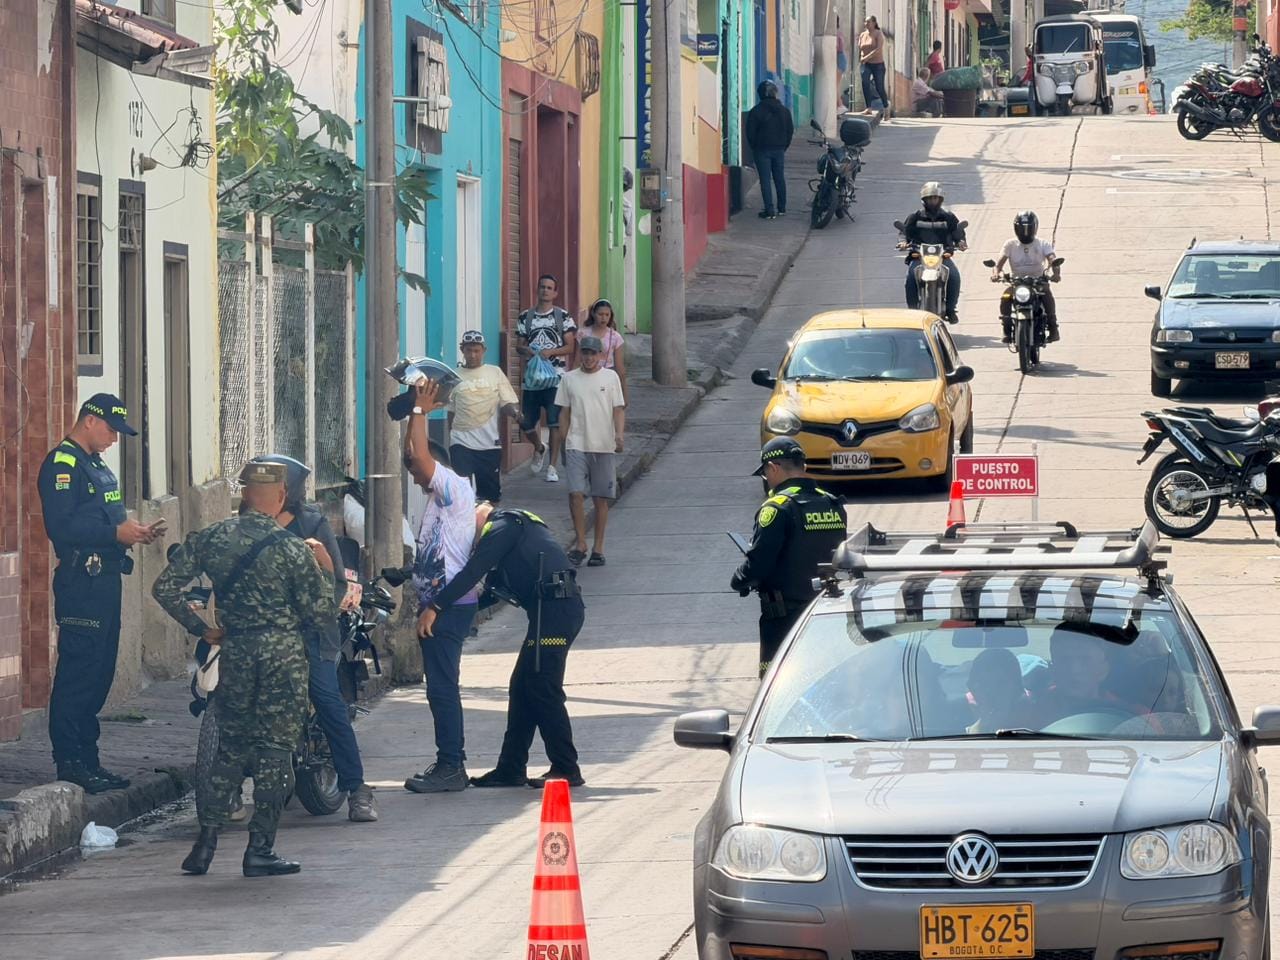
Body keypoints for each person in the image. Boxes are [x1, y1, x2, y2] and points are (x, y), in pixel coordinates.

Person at [153, 460, 337, 878]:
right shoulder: (293, 548)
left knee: (231, 747)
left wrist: (203, 628)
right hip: (282, 659)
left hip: (235, 651)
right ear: (281, 497)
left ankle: (206, 842)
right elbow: (320, 612)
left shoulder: (213, 539)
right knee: (275, 752)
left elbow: (163, 588)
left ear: (243, 495)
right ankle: (260, 849)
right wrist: (326, 570)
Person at [38, 393, 165, 794]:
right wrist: (115, 533)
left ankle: (89, 759)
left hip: (105, 580)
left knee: (99, 673)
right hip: (82, 583)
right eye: (110, 429)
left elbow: (105, 517)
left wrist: (135, 532)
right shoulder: (63, 465)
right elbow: (62, 527)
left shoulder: (94, 465)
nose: (114, 438)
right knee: (79, 671)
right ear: (90, 420)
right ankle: (70, 762)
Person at [420, 503, 586, 789]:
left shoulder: (503, 527)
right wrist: (451, 611)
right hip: (549, 613)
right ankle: (511, 768)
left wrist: (436, 606)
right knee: (522, 686)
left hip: (556, 612)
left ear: (480, 511)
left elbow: (473, 573)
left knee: (542, 686)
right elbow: (487, 595)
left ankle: (566, 767)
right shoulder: (508, 534)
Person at [253, 454, 378, 823]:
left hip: (311, 632)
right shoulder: (246, 525)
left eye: (267, 487)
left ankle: (357, 790)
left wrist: (320, 557)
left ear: (284, 491)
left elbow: (337, 581)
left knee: (326, 700)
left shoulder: (311, 522)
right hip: (261, 630)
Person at [402, 379, 481, 793]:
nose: (413, 475)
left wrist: (420, 411)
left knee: (443, 687)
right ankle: (449, 762)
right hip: (440, 604)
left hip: (448, 606)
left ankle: (452, 765)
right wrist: (406, 412)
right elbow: (411, 454)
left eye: (417, 470)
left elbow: (418, 454)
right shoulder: (438, 499)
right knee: (439, 687)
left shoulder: (451, 485)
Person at [730, 438, 847, 677]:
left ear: (772, 467)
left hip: (783, 619)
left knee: (777, 684)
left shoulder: (777, 508)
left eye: (765, 473)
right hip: (824, 613)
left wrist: (739, 580)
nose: (767, 479)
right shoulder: (832, 504)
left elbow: (759, 563)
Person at [556, 336, 626, 567]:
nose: (588, 358)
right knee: (575, 494)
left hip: (603, 446)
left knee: (600, 499)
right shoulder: (568, 379)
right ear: (580, 355)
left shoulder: (611, 377)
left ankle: (598, 547)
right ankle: (580, 543)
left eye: (593, 354)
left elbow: (618, 410)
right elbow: (564, 413)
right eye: (585, 353)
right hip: (576, 443)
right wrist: (565, 441)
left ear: (600, 355)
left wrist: (618, 435)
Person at [516, 274, 577, 483]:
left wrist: (552, 352)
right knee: (525, 422)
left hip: (555, 379)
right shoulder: (526, 317)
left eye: (550, 288)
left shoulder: (563, 317)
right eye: (542, 287)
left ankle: (552, 466)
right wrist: (528, 351)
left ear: (555, 292)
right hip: (532, 379)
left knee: (554, 423)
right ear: (537, 289)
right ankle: (539, 447)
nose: (545, 291)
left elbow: (570, 346)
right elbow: (519, 345)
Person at [449, 330, 521, 503]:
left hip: (489, 444)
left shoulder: (494, 372)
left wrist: (516, 413)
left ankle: (487, 528)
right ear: (462, 350)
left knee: (490, 498)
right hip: (461, 443)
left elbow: (507, 402)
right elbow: (450, 411)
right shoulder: (453, 376)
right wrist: (450, 438)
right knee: (461, 494)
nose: (473, 355)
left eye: (476, 350)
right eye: (468, 350)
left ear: (484, 350)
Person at [900, 181, 966, 323]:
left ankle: (950, 309)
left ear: (940, 199)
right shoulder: (915, 216)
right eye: (930, 198)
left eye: (935, 198)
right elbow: (904, 232)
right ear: (924, 200)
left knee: (954, 277)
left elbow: (957, 233)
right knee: (910, 279)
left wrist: (960, 241)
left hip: (942, 256)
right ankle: (912, 312)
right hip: (919, 256)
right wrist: (903, 242)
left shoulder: (948, 217)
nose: (933, 201)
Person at [992, 210, 1061, 344]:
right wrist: (996, 274)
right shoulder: (1010, 244)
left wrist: (1056, 273)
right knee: (1005, 297)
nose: (1025, 231)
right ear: (1016, 228)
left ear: (1035, 227)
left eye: (1028, 228)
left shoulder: (1042, 244)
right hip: (1017, 282)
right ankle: (1006, 328)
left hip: (1038, 281)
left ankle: (1053, 328)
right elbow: (998, 264)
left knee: (1047, 295)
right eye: (1022, 228)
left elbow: (1052, 259)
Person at [744, 79, 794, 220]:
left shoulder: (756, 111)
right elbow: (790, 131)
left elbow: (750, 133)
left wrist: (756, 146)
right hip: (779, 149)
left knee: (765, 180)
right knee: (779, 178)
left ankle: (769, 210)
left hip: (762, 150)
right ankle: (782, 208)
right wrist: (784, 146)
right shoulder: (784, 111)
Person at [578, 298, 629, 405]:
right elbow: (576, 361)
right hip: (585, 376)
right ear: (593, 314)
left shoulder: (615, 337)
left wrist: (624, 394)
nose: (603, 318)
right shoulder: (583, 334)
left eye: (607, 315)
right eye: (600, 314)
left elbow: (620, 368)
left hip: (606, 379)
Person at [858, 15, 889, 116]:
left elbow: (878, 49)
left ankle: (886, 107)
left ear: (874, 23)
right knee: (865, 83)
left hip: (878, 65)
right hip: (865, 64)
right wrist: (862, 59)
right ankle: (868, 107)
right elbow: (860, 48)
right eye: (865, 22)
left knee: (879, 87)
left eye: (868, 22)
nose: (866, 24)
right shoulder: (862, 35)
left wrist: (867, 57)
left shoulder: (878, 34)